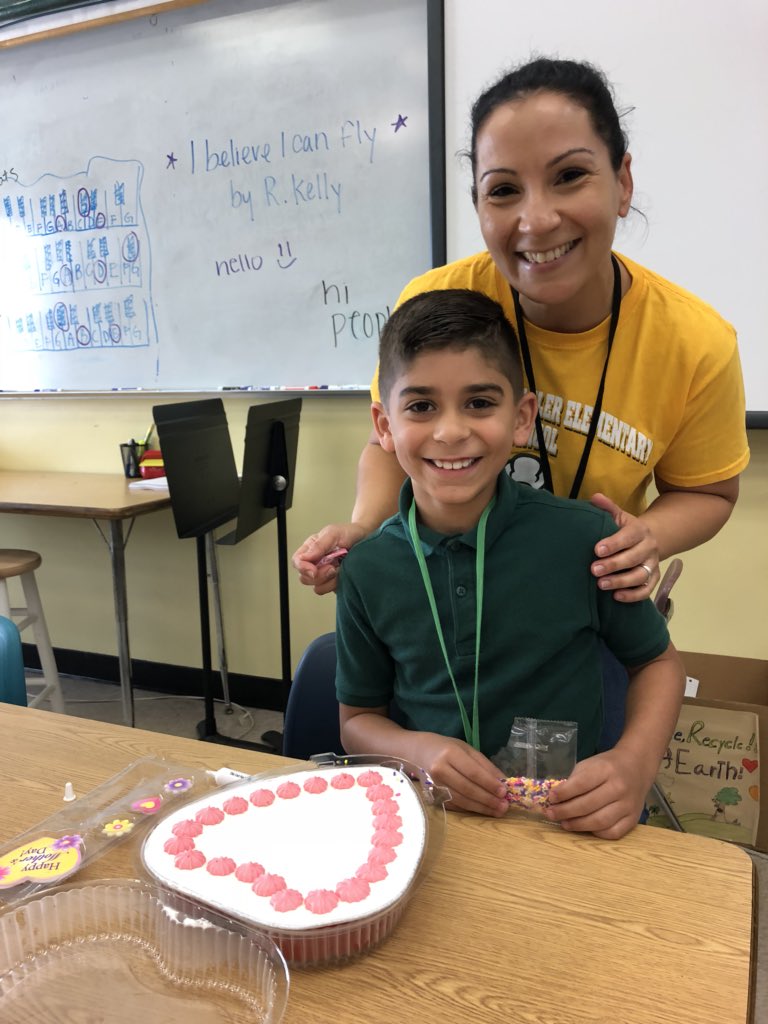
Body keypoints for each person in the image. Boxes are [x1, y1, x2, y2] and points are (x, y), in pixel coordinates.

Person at [293, 57, 749, 602]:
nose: (536, 220)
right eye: (504, 190)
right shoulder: (435, 301)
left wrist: (649, 535)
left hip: (579, 604)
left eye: (570, 176)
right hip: (445, 596)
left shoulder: (695, 343)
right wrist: (365, 528)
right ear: (479, 207)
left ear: (623, 183)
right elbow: (387, 445)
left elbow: (709, 493)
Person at [335, 288, 685, 840]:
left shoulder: (586, 540)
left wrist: (635, 764)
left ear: (522, 418)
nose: (450, 431)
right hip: (430, 828)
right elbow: (356, 722)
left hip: (565, 824)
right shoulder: (366, 568)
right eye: (421, 406)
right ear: (384, 426)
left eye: (479, 402)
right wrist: (418, 750)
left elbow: (659, 665)